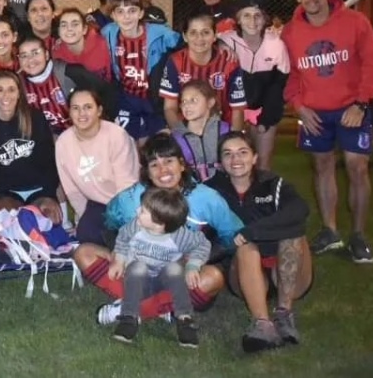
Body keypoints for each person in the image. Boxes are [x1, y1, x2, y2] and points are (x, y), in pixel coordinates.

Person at [73, 134, 243, 325]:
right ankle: (163, 308)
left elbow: (234, 236)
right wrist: (118, 252)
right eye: (154, 164)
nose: (163, 170)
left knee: (213, 278)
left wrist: (197, 259)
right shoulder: (131, 199)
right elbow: (110, 224)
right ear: (147, 171)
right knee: (83, 253)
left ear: (182, 164)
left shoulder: (206, 198)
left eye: (169, 161)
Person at [281, 0, 373, 263]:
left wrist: (361, 103)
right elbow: (290, 76)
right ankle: (330, 231)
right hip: (314, 113)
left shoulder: (355, 22)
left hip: (352, 108)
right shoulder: (290, 32)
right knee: (322, 167)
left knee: (357, 166)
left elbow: (372, 66)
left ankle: (359, 235)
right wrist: (299, 106)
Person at [206, 132, 313, 352]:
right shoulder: (211, 190)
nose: (236, 160)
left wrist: (252, 231)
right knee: (245, 246)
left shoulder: (273, 184)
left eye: (242, 153)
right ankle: (263, 325)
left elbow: (300, 209)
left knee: (293, 234)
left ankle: (284, 313)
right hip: (243, 272)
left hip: (285, 273)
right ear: (220, 163)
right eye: (228, 154)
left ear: (255, 157)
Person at [109, 187, 210, 348]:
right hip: (138, 281)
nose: (137, 211)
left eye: (142, 210)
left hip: (164, 282)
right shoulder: (136, 226)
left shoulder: (180, 235)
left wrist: (192, 266)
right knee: (137, 267)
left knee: (174, 269)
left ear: (159, 223)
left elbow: (202, 245)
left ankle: (184, 319)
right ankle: (129, 316)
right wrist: (119, 260)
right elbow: (123, 238)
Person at [0, 70, 60, 222]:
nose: (5, 96)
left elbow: (49, 160)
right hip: (7, 193)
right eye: (0, 90)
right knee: (2, 220)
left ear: (19, 93)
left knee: (48, 220)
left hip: (38, 190)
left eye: (11, 89)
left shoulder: (35, 118)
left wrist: (49, 195)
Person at [55, 89, 140, 245]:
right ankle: (108, 267)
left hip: (127, 201)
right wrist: (83, 217)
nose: (82, 113)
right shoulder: (63, 142)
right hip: (97, 204)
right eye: (76, 108)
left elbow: (127, 185)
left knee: (126, 237)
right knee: (86, 233)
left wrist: (123, 221)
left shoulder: (117, 135)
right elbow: (72, 190)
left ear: (99, 110)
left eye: (88, 107)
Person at [219, 0, 290, 170]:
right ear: (238, 19)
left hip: (264, 106)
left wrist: (265, 119)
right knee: (231, 162)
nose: (252, 21)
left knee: (262, 163)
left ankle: (260, 197)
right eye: (246, 15)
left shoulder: (276, 44)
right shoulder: (226, 40)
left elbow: (279, 84)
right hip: (233, 110)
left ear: (265, 18)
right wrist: (219, 44)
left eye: (257, 15)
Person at [101, 0, 182, 145]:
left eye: (132, 11)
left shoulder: (159, 33)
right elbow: (88, 42)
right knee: (126, 143)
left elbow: (186, 45)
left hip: (153, 97)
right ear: (113, 16)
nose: (126, 17)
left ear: (141, 13)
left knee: (160, 142)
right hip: (127, 97)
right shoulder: (108, 32)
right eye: (120, 12)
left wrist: (220, 46)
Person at [160, 12, 246, 132]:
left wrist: (234, 138)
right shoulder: (176, 61)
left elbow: (237, 109)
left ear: (215, 36)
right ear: (185, 36)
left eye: (205, 32)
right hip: (185, 127)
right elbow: (169, 108)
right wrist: (182, 135)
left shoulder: (229, 61)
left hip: (222, 127)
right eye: (193, 32)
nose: (199, 38)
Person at [17, 34, 118, 136]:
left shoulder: (70, 72)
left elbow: (106, 91)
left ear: (46, 54)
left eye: (35, 53)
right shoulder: (18, 85)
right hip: (51, 142)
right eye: (24, 56)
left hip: (85, 134)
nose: (30, 59)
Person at [172, 80, 229, 182]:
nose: (186, 106)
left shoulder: (226, 130)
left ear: (210, 102)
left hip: (225, 187)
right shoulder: (176, 137)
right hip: (191, 191)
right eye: (183, 101)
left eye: (193, 100)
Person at [52, 7, 111, 81]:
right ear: (59, 31)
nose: (69, 29)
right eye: (64, 25)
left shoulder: (104, 44)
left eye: (75, 24)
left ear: (84, 29)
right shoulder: (57, 54)